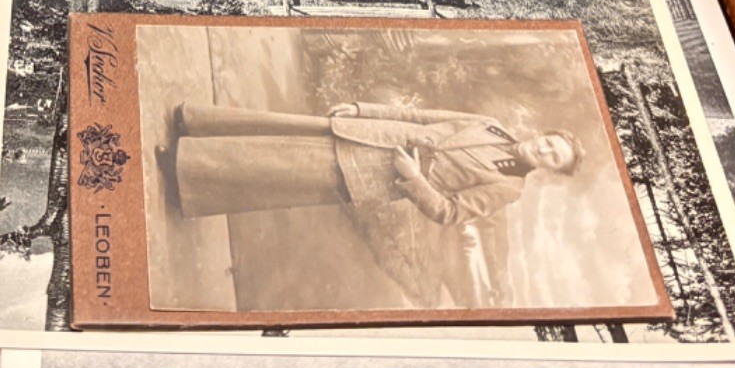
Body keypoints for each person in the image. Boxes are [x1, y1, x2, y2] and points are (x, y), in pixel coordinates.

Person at [158, 100, 582, 226]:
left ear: (550, 171)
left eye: (553, 158)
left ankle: (183, 169)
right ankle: (195, 124)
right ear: (542, 133)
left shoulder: (510, 188)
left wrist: (414, 179)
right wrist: (362, 109)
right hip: (373, 134)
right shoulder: (492, 124)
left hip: (376, 175)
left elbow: (448, 213)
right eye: (550, 143)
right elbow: (419, 116)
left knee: (274, 167)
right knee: (278, 133)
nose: (545, 151)